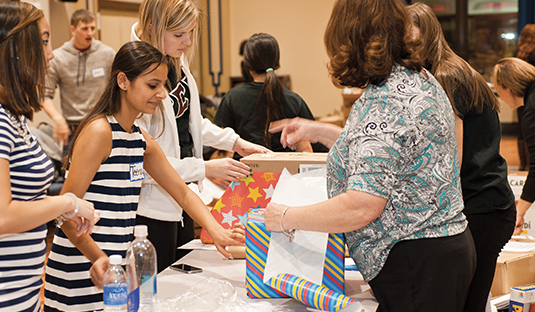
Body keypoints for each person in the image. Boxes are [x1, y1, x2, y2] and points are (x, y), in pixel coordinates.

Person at [265, 0, 476, 311]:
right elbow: (386, 155)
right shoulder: (416, 79)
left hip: (415, 261)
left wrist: (285, 217)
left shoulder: (385, 101)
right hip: (441, 252)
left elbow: (362, 205)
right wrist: (319, 131)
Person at [43, 41, 245, 311]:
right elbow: (66, 212)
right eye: (153, 85)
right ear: (123, 81)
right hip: (82, 273)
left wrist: (216, 230)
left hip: (113, 274)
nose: (162, 94)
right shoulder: (99, 132)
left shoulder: (140, 140)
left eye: (163, 85)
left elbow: (182, 192)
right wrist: (102, 260)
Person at [0, 2, 98, 311]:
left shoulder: (10, 115)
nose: (50, 54)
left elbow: (22, 202)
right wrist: (69, 203)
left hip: (18, 288)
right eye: (42, 41)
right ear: (14, 48)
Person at [130, 0, 270, 272]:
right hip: (152, 206)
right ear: (153, 28)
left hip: (184, 196)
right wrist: (205, 167)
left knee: (179, 279)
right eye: (179, 34)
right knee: (157, 285)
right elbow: (144, 160)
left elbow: (193, 123)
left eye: (191, 32)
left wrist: (235, 142)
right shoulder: (139, 74)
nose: (188, 41)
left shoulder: (175, 61)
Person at [408, 3, 516, 311]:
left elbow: (450, 157)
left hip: (483, 208)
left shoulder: (445, 76)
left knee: (466, 302)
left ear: (424, 34)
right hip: (486, 204)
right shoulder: (451, 69)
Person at [214, 33, 314, 159]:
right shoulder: (294, 100)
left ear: (248, 65)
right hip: (286, 176)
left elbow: (222, 144)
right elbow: (306, 150)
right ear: (277, 63)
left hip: (245, 175)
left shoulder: (232, 97)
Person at [42, 9, 115, 154]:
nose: (90, 33)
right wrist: (58, 119)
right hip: (73, 131)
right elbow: (44, 95)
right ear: (73, 30)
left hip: (103, 125)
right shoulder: (58, 57)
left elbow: (119, 87)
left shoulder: (107, 54)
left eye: (92, 28)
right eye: (84, 29)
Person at [492, 57, 535, 237]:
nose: (502, 99)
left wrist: (519, 212)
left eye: (500, 92)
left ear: (509, 88)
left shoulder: (534, 109)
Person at [515, 24, 535, 170]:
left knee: (522, 129)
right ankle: (534, 165)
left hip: (520, 97)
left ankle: (523, 165)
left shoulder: (518, 54)